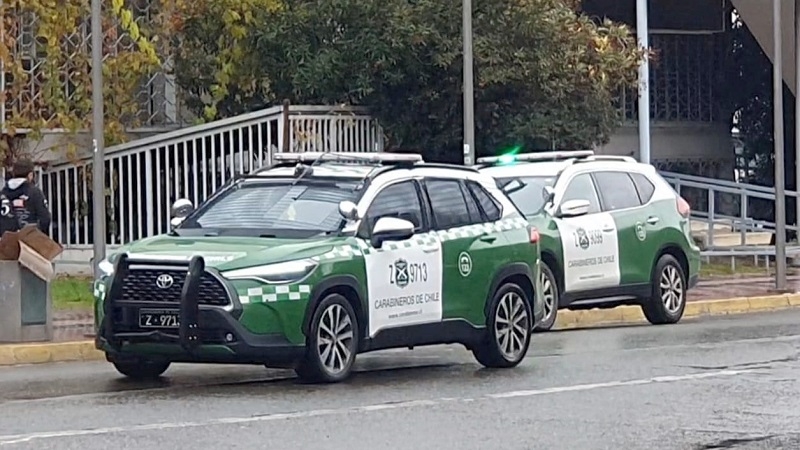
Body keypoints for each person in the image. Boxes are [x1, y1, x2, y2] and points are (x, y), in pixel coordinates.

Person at [0, 159, 51, 235]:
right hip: (29, 240)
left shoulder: (2, 193)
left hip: (6, 242)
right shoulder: (34, 192)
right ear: (30, 175)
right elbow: (45, 218)